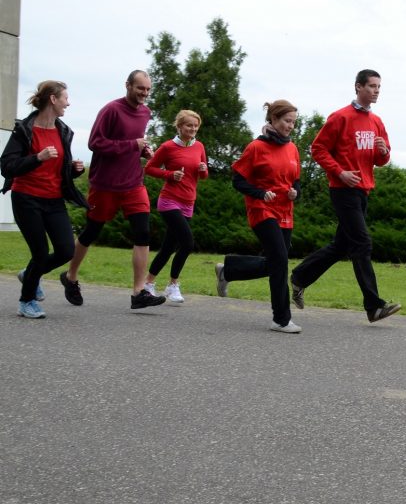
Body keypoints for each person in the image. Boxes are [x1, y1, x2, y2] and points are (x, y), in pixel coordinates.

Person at [289, 69, 400, 323]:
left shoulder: (377, 121)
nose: (376, 91)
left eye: (379, 87)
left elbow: (382, 160)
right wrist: (339, 173)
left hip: (363, 190)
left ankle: (299, 277)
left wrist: (382, 152)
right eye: (372, 86)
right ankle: (374, 306)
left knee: (341, 246)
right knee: (362, 244)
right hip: (343, 190)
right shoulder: (340, 117)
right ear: (358, 87)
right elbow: (318, 148)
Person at [62, 70, 166, 310]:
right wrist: (132, 145)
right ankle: (70, 277)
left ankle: (139, 292)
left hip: (133, 183)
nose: (145, 93)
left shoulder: (145, 112)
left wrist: (142, 151)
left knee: (143, 232)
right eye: (141, 88)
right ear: (128, 85)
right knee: (91, 231)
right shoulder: (111, 110)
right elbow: (94, 143)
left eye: (148, 89)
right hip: (105, 184)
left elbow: (134, 143)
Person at [1, 80, 88, 318]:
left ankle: (30, 274)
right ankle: (26, 301)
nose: (68, 103)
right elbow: (7, 167)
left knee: (66, 250)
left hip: (53, 199)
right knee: (40, 252)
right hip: (26, 198)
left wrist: (75, 170)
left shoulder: (63, 131)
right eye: (65, 98)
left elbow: (59, 170)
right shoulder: (24, 129)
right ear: (53, 99)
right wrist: (37, 157)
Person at [214, 100, 302, 334]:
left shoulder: (292, 148)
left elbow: (295, 180)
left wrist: (296, 192)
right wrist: (261, 193)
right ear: (273, 119)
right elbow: (238, 180)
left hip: (286, 212)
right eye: (286, 121)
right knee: (280, 261)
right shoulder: (256, 147)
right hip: (261, 209)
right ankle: (281, 319)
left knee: (276, 261)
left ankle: (228, 271)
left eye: (293, 122)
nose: (290, 126)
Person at [142, 110, 208, 304]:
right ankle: (173, 285)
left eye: (196, 126)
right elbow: (150, 168)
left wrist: (203, 170)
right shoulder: (168, 147)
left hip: (189, 202)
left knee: (168, 247)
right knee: (187, 243)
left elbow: (203, 175)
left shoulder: (199, 146)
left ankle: (148, 284)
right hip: (169, 200)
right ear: (179, 127)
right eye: (189, 125)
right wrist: (170, 174)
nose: (193, 129)